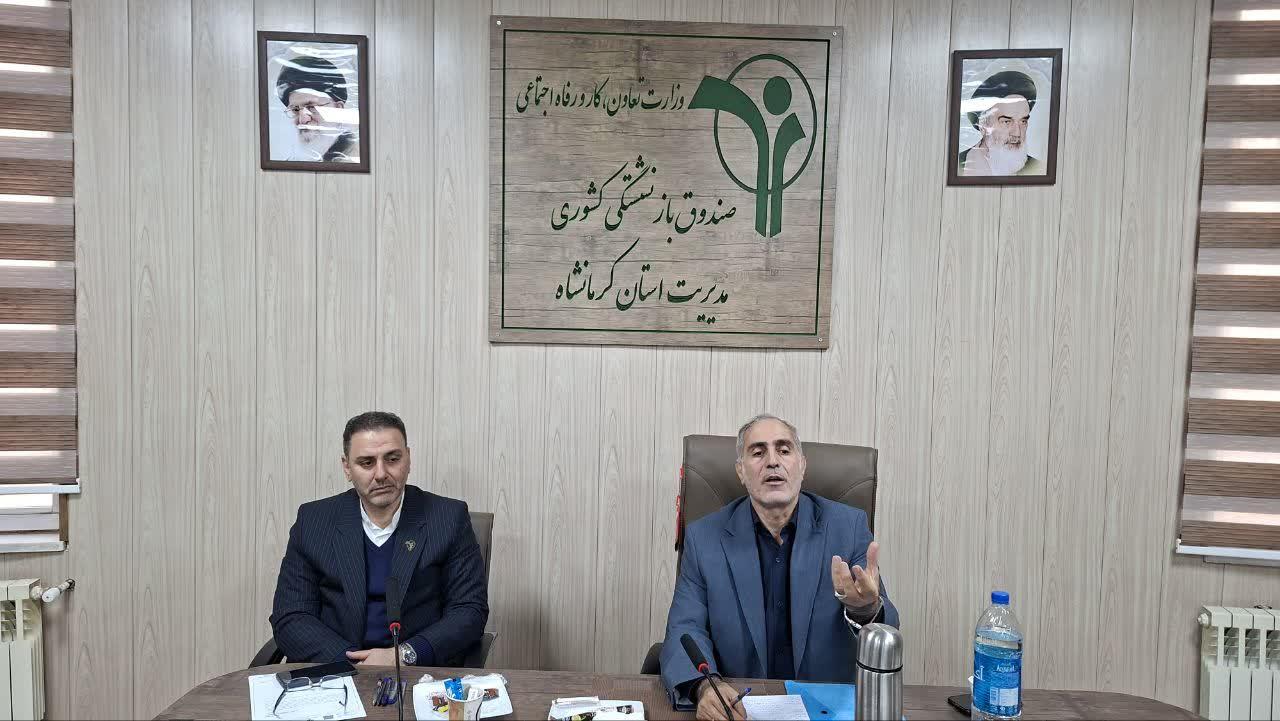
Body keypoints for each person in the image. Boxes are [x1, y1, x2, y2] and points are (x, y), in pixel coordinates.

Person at [660, 414, 899, 720]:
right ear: (740, 471)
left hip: (826, 709)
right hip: (740, 707)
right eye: (758, 452)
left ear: (802, 465)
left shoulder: (847, 527)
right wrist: (706, 687)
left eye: (784, 450)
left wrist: (865, 610)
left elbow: (886, 628)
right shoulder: (704, 539)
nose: (772, 461)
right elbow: (685, 627)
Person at [270, 411, 488, 667]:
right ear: (347, 468)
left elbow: (469, 610)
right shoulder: (314, 522)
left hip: (417, 671)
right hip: (336, 671)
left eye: (393, 459)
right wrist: (354, 663)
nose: (381, 473)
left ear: (408, 459)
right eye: (366, 463)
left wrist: (405, 654)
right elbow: (291, 616)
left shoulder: (448, 518)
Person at [274, 54, 359, 162]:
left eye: (311, 107)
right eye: (295, 110)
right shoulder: (288, 164)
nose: (303, 119)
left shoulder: (359, 158)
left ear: (338, 110)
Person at [959, 70, 1044, 176]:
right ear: (983, 125)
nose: (1017, 133)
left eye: (1023, 121)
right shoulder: (957, 166)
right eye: (1007, 122)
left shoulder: (1038, 169)